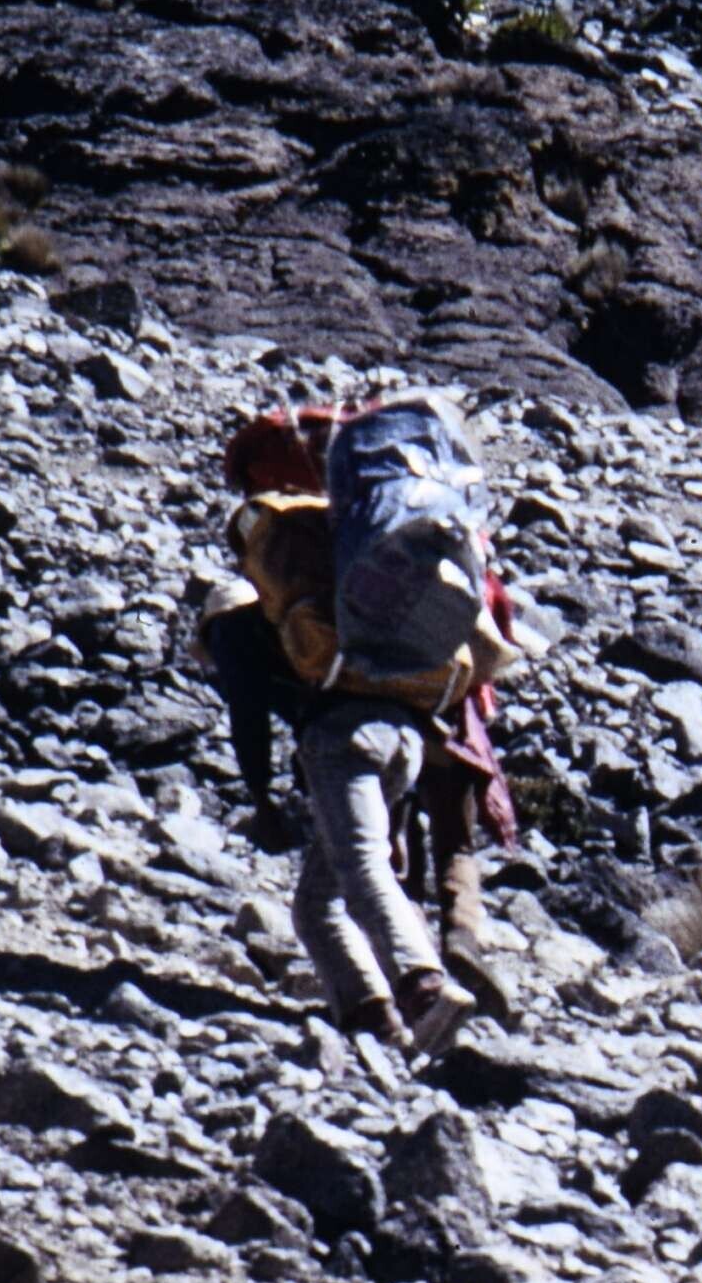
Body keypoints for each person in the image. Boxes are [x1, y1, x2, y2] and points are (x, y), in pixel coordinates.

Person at [191, 377, 532, 1061]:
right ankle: (372, 1018)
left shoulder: (245, 628)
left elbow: (249, 715)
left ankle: (424, 989)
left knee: (363, 869)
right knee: (317, 902)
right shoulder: (350, 594)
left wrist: (260, 796)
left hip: (341, 741)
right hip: (407, 737)